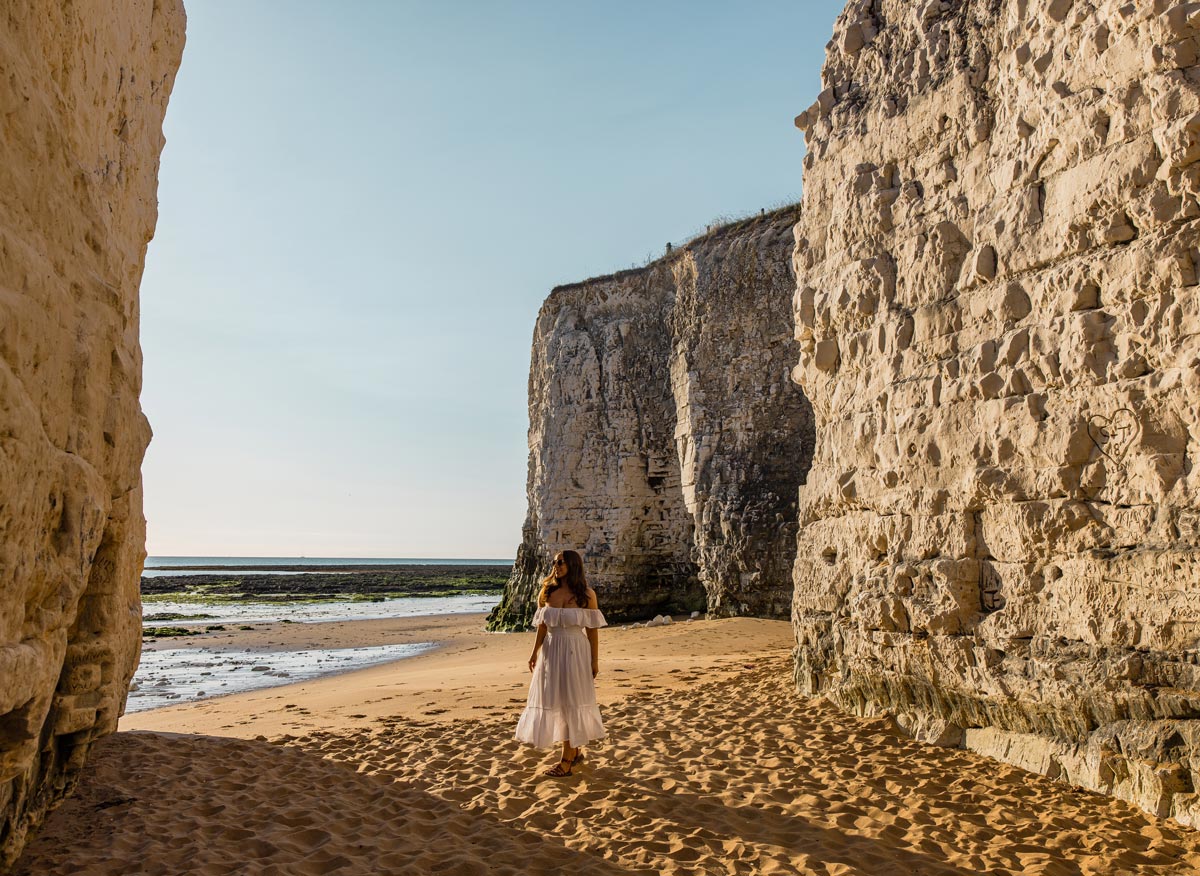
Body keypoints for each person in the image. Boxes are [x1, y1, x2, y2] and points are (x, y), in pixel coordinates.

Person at [514, 549, 606, 776]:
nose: (557, 565)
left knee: (572, 700)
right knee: (557, 700)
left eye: (561, 562)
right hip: (552, 651)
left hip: (576, 650)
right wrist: (534, 652)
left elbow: (592, 631)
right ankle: (574, 752)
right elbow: (542, 627)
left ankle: (567, 759)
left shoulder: (586, 594)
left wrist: (594, 661)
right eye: (555, 562)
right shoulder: (547, 591)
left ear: (573, 565)